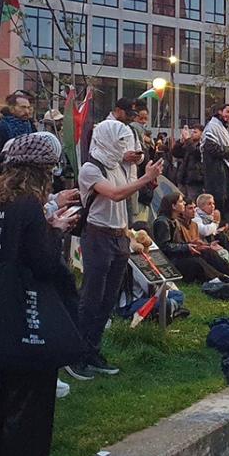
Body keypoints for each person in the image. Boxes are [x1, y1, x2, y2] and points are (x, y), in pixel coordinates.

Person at [0, 132, 82, 456]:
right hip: (28, 313)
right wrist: (55, 234)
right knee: (32, 409)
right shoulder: (28, 206)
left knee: (5, 399)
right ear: (41, 171)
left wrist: (45, 229)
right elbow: (41, 262)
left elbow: (6, 251)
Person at [67, 116, 163, 381]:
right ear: (105, 141)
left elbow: (127, 182)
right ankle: (75, 355)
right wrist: (146, 177)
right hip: (97, 235)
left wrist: (135, 161)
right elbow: (116, 193)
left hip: (120, 235)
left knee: (109, 298)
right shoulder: (91, 169)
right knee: (91, 297)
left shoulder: (117, 164)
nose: (122, 147)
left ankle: (93, 349)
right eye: (118, 142)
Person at [151, 192, 229, 282]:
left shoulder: (173, 220)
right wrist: (187, 247)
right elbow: (164, 247)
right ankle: (222, 278)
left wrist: (193, 244)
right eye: (181, 202)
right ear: (173, 206)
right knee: (196, 261)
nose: (184, 204)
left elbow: (177, 243)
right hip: (171, 262)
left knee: (207, 251)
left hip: (178, 255)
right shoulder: (162, 222)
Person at [202, 103, 229, 241]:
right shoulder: (213, 127)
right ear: (220, 111)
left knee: (228, 202)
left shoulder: (225, 128)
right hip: (216, 172)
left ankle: (225, 232)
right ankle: (216, 234)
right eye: (227, 112)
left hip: (225, 170)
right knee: (218, 201)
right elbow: (213, 149)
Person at [0, 91, 35, 165]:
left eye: (28, 108)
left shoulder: (30, 125)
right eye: (22, 107)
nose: (27, 111)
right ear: (12, 108)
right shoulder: (3, 127)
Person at [172, 125, 206, 199]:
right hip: (183, 179)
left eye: (195, 132)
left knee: (192, 202)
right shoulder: (188, 144)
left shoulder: (203, 145)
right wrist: (180, 142)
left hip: (195, 181)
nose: (192, 134)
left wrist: (187, 139)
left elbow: (195, 152)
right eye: (192, 132)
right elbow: (176, 153)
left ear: (202, 134)